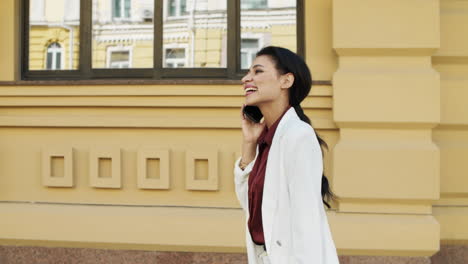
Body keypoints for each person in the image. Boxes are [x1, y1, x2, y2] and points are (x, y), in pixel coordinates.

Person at [233, 46, 340, 264]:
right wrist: (249, 144)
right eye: (248, 72)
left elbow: (306, 222)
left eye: (257, 71)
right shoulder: (267, 140)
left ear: (286, 81)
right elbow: (251, 207)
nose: (246, 78)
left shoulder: (298, 135)